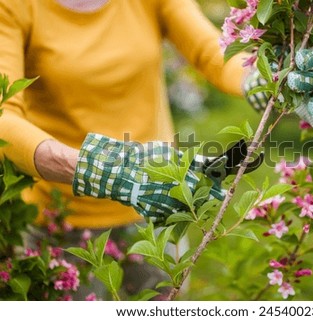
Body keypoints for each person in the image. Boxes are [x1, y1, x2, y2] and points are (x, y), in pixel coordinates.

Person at [0, 0, 250, 299]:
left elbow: (211, 52)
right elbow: (4, 116)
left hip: (155, 204)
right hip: (61, 221)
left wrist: (262, 79)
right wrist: (104, 170)